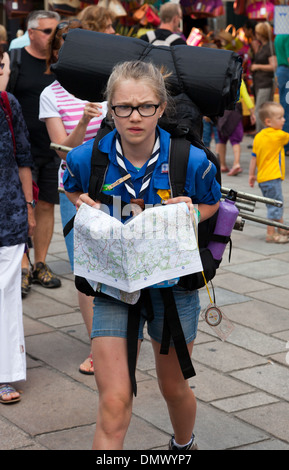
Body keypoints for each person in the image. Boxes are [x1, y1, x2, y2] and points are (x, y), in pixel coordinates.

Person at [63, 60, 221, 450]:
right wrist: (84, 204)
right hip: (113, 287)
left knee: (173, 387)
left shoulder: (191, 160)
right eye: (124, 107)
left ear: (161, 107)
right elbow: (72, 188)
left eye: (146, 106)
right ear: (109, 107)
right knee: (115, 398)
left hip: (173, 288)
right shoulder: (87, 158)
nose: (135, 117)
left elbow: (213, 203)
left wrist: (188, 215)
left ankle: (184, 446)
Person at [39, 18, 108, 375]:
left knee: (116, 261)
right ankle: (98, 346)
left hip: (115, 185)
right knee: (85, 268)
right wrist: (83, 122)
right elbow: (61, 151)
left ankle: (120, 336)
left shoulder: (109, 87)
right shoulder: (51, 94)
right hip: (75, 187)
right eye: (66, 47)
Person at [5, 10, 61, 296]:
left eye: (55, 31)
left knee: (47, 205)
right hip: (20, 152)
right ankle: (23, 265)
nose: (53, 36)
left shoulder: (59, 63)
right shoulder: (15, 61)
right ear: (30, 32)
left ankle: (40, 262)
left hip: (51, 148)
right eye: (47, 31)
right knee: (22, 207)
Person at [0, 48, 36, 404]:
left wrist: (29, 206)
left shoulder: (8, 104)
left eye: (1, 65)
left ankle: (6, 374)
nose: (2, 71)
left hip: (8, 212)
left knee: (7, 294)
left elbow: (24, 157)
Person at [249, 101, 289, 244]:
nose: (284, 120)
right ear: (268, 121)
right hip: (272, 178)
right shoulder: (278, 135)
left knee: (275, 204)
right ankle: (271, 234)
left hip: (262, 178)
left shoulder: (259, 136)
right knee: (276, 205)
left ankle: (282, 229)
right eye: (280, 117)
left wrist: (251, 175)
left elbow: (254, 158)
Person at [217, 79, 256, 175]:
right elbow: (246, 96)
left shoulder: (220, 75)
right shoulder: (238, 78)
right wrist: (252, 113)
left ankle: (222, 165)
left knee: (221, 139)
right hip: (235, 111)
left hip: (222, 110)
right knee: (235, 141)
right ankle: (236, 163)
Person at [251, 21, 277, 134]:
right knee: (261, 109)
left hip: (265, 82)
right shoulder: (262, 46)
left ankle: (260, 136)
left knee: (260, 110)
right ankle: (261, 136)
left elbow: (273, 66)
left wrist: (257, 66)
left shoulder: (269, 47)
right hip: (259, 82)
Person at [274, 33, 289, 155]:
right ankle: (286, 145)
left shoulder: (279, 35)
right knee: (287, 109)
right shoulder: (287, 36)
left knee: (284, 107)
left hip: (281, 71)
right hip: (286, 72)